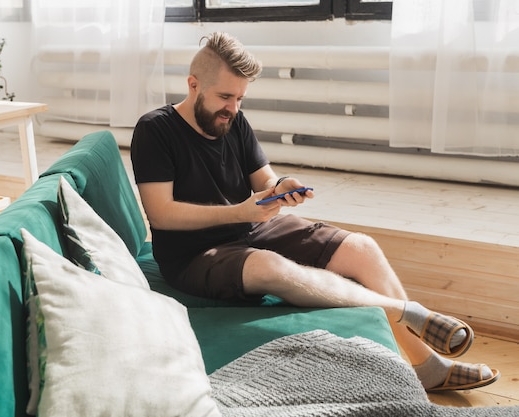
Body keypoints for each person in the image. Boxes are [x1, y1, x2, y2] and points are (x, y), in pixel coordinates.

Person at [130, 31, 499, 392]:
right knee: (268, 267)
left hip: (248, 228)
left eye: (241, 98)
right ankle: (406, 309)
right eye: (225, 96)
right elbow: (162, 215)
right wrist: (239, 211)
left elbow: (266, 179)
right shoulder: (155, 129)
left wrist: (283, 187)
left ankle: (426, 367)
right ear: (193, 84)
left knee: (361, 247)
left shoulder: (233, 121)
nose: (233, 108)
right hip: (193, 255)